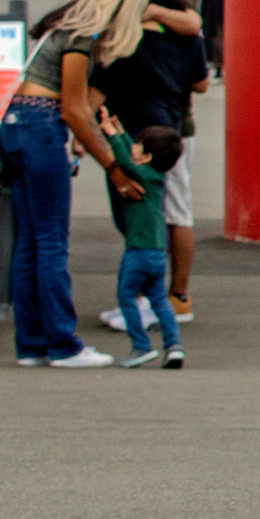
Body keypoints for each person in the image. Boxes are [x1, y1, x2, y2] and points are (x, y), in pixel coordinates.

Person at [4, 0, 187, 368]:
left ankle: (31, 344)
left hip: (17, 122)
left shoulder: (64, 23)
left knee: (30, 243)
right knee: (51, 241)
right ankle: (63, 344)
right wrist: (114, 166)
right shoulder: (81, 36)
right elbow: (73, 109)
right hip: (41, 124)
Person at [94, 0, 210, 337]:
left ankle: (168, 299)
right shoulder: (182, 18)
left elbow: (194, 27)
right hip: (178, 125)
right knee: (173, 211)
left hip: (151, 130)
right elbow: (202, 80)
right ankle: (171, 296)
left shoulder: (145, 24)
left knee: (154, 213)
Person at [104, 115, 186, 369]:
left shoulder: (143, 175)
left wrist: (111, 135)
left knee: (126, 296)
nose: (134, 147)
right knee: (159, 298)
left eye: (139, 144)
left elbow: (126, 164)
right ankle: (173, 346)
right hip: (157, 252)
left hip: (138, 250)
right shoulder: (155, 175)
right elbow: (134, 156)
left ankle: (140, 346)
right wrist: (121, 131)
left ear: (148, 156)